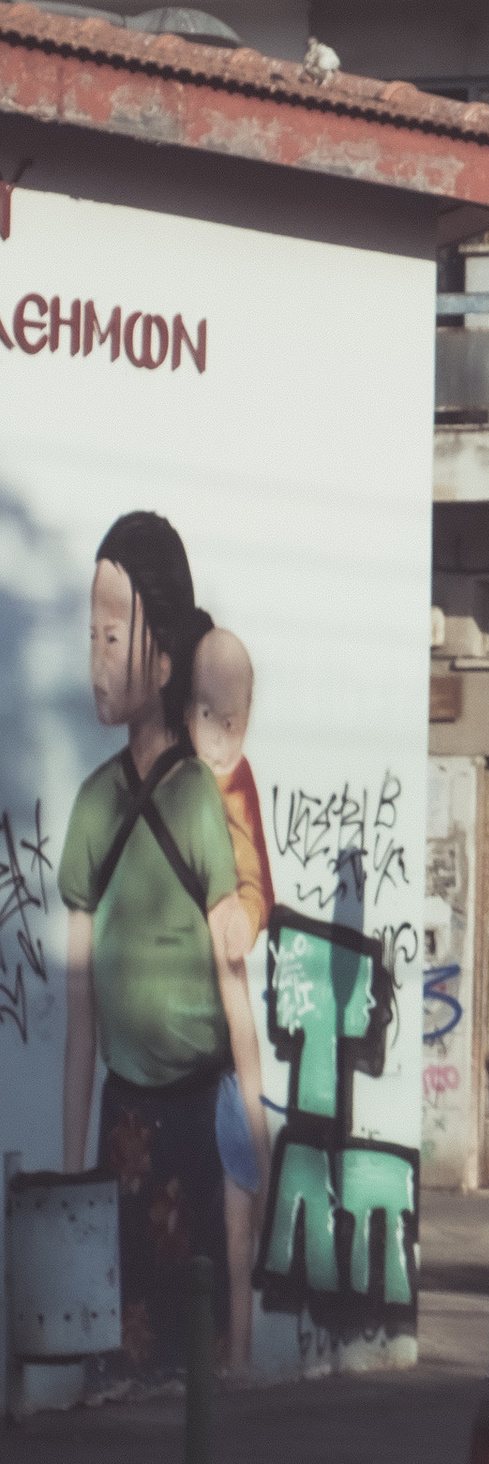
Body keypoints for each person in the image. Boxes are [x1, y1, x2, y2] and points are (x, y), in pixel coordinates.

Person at [58, 514, 258, 1386]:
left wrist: (250, 1125)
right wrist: (68, 1180)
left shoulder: (199, 805)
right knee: (130, 1343)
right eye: (90, 635)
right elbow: (78, 1020)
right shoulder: (92, 808)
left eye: (115, 635)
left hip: (197, 1114)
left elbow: (234, 991)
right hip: (126, 1121)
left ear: (166, 661)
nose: (99, 658)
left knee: (199, 1343)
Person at [190, 627, 276, 1376]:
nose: (221, 736)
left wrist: (243, 919)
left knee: (237, 1197)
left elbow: (259, 884)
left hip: (227, 1027)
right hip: (192, 1026)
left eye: (233, 720)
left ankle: (240, 1359)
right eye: (207, 714)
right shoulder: (175, 782)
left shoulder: (236, 781)